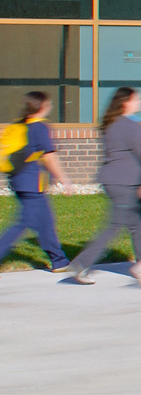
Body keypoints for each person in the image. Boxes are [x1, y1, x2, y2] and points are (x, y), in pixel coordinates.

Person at [62, 87, 141, 287]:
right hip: (126, 183)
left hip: (114, 181)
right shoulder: (131, 127)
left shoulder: (112, 125)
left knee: (138, 225)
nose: (140, 101)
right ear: (126, 102)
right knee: (114, 227)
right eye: (136, 99)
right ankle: (81, 263)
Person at [3, 91, 64, 271]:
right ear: (43, 106)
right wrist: (64, 179)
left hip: (18, 179)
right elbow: (50, 156)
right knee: (22, 223)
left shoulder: (20, 124)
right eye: (49, 104)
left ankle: (59, 260)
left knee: (45, 221)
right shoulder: (39, 127)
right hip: (32, 183)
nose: (50, 107)